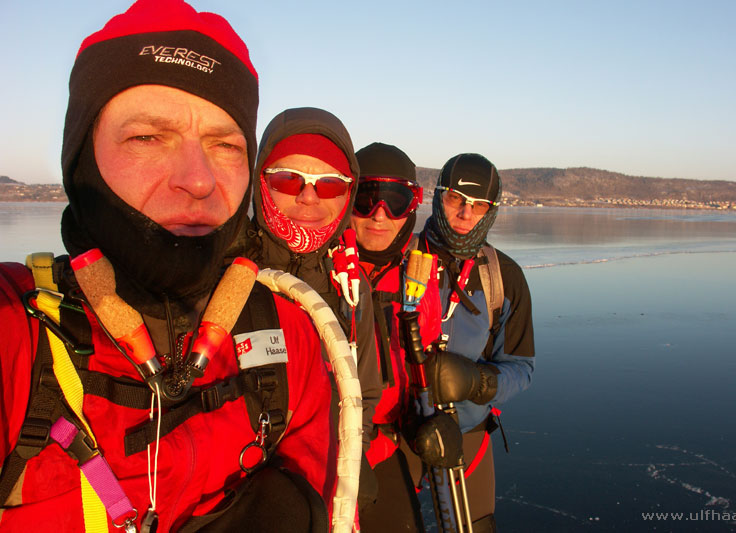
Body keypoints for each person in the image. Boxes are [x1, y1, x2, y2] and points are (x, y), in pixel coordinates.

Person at [0, 1, 335, 531]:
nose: (198, 179)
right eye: (147, 138)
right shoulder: (19, 335)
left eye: (225, 145)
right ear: (82, 157)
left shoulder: (288, 334)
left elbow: (318, 470)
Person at [243, 107, 383, 511]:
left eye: (329, 185)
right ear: (259, 182)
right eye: (288, 179)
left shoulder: (351, 287)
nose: (308, 196)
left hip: (328, 490)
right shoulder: (225, 272)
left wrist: (354, 458)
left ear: (349, 192)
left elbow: (365, 393)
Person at [417, 153, 535, 532]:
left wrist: (476, 382)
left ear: (491, 210)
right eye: (456, 200)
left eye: (479, 205)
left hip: (467, 433)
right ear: (437, 197)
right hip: (397, 431)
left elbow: (521, 368)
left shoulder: (504, 277)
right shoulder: (402, 258)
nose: (466, 214)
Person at [349, 142, 430, 531]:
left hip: (390, 448)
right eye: (366, 199)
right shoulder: (322, 274)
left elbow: (424, 358)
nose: (380, 215)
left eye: (396, 201)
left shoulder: (419, 280)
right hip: (330, 451)